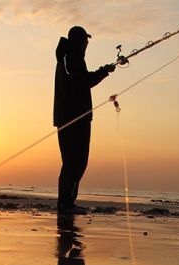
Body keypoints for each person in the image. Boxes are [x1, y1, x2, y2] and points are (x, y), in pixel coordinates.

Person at [53, 26, 115, 214]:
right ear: (79, 42)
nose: (87, 44)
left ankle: (66, 203)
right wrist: (104, 72)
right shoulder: (72, 57)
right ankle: (66, 204)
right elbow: (84, 82)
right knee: (76, 162)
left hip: (68, 117)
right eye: (85, 41)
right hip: (75, 118)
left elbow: (80, 80)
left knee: (71, 162)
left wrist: (103, 70)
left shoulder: (66, 56)